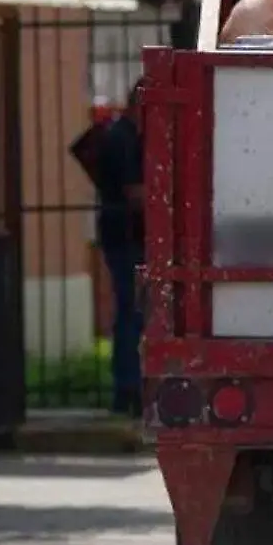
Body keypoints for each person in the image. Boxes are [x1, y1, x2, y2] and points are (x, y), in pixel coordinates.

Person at [95, 80, 147, 416]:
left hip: (125, 235)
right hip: (125, 236)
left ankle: (129, 387)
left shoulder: (125, 135)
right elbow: (135, 193)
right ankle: (128, 388)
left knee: (133, 311)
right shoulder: (123, 138)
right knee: (133, 311)